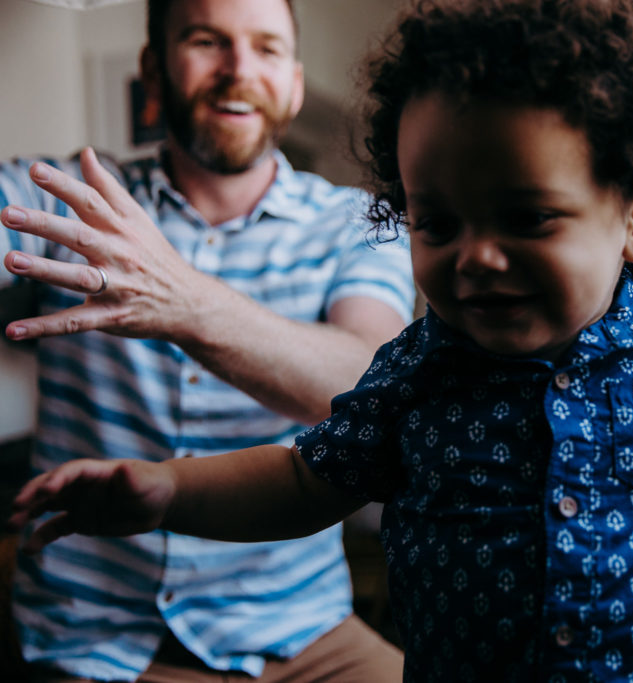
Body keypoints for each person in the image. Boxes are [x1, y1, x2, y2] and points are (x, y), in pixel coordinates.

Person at [8, 0, 633, 680]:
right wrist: (167, 488)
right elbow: (306, 475)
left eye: (526, 219)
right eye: (435, 222)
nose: (474, 260)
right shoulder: (414, 373)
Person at [0, 0, 412, 681]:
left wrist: (183, 302)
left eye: (267, 48)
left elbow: (372, 384)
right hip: (95, 643)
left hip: (306, 636)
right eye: (206, 40)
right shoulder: (64, 206)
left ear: (297, 83)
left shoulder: (357, 222)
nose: (239, 69)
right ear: (152, 72)